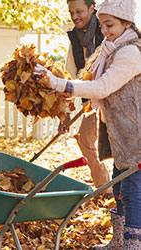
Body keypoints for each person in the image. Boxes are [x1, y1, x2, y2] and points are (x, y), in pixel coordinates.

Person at [34, 0, 141, 249]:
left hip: (135, 131)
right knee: (119, 186)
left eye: (109, 25)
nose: (103, 31)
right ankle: (119, 240)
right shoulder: (111, 48)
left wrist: (59, 84)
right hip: (120, 130)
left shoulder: (130, 52)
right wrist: (66, 113)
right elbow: (89, 84)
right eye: (102, 24)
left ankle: (133, 244)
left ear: (127, 23)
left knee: (133, 189)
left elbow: (102, 87)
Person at [64, 0, 111, 193]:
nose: (75, 16)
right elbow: (69, 76)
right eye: (71, 12)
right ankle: (104, 186)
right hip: (91, 102)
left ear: (92, 9)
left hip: (113, 98)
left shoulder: (108, 28)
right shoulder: (75, 39)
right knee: (85, 140)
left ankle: (126, 190)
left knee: (118, 145)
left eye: (79, 11)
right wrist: (64, 111)